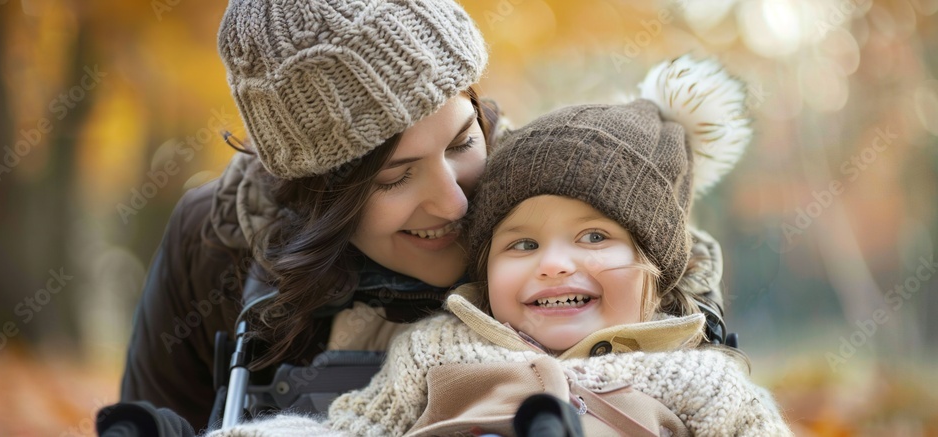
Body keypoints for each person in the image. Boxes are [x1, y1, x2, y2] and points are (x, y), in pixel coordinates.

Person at [112, 0, 726, 433]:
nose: (455, 203)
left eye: (463, 142)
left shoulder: (563, 206)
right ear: (319, 194)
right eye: (395, 178)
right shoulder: (221, 242)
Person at [206, 56, 791, 436]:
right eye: (522, 244)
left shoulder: (698, 377)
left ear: (655, 271)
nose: (555, 264)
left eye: (594, 237)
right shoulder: (439, 349)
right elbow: (350, 428)